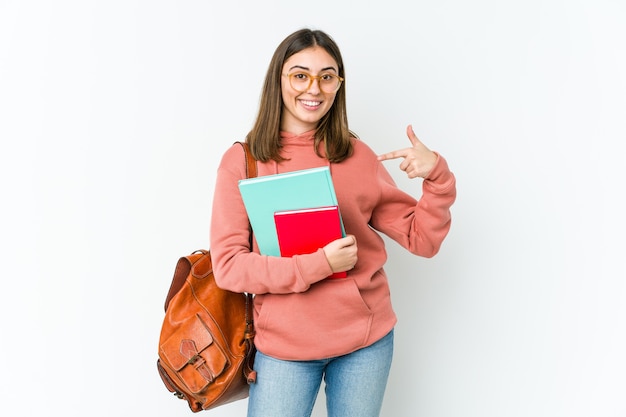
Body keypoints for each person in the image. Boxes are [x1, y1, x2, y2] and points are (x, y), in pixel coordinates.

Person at [210, 28, 456, 417]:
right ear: (279, 80)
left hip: (365, 344)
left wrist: (437, 178)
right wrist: (319, 265)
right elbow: (228, 267)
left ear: (338, 84)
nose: (315, 88)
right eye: (300, 74)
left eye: (327, 76)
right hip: (284, 350)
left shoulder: (356, 155)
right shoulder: (243, 161)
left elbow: (420, 239)